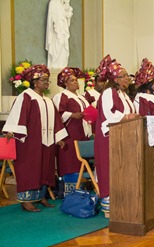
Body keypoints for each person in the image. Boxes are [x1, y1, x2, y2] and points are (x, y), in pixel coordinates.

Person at [3, 64, 67, 212]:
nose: (46, 82)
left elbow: (56, 121)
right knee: (30, 168)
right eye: (43, 79)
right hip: (30, 142)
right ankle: (26, 199)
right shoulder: (26, 97)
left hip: (47, 141)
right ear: (34, 81)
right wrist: (12, 131)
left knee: (45, 168)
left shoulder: (48, 100)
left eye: (47, 80)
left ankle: (40, 196)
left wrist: (59, 138)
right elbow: (17, 116)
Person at [95, 55, 138, 215]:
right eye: (123, 76)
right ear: (115, 79)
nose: (127, 78)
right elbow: (108, 115)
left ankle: (123, 202)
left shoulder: (124, 95)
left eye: (127, 75)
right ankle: (109, 206)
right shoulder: (108, 93)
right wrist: (126, 117)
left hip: (124, 138)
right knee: (110, 170)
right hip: (109, 139)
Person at [53, 67, 92, 192]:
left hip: (82, 131)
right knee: (70, 159)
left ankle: (80, 188)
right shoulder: (61, 96)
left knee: (81, 158)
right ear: (65, 83)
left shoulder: (81, 97)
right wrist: (72, 115)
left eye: (76, 80)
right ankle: (69, 190)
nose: (75, 82)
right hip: (69, 132)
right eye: (71, 80)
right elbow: (57, 114)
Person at [45, 0, 72, 68]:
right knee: (57, 45)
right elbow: (51, 16)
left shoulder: (63, 4)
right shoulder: (53, 2)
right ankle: (55, 64)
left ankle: (62, 64)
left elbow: (67, 16)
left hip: (63, 29)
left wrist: (67, 8)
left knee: (64, 46)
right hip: (56, 30)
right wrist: (55, 23)